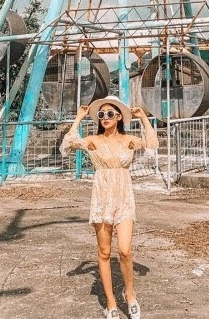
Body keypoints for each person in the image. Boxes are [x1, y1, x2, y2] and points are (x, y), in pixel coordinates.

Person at [60, 95, 159, 319]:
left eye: (110, 114)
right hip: (102, 198)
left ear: (119, 117)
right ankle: (111, 302)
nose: (105, 117)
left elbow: (152, 144)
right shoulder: (94, 140)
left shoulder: (128, 140)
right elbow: (68, 144)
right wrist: (79, 117)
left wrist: (143, 118)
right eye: (101, 114)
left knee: (125, 250)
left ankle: (130, 294)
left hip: (124, 198)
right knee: (104, 252)